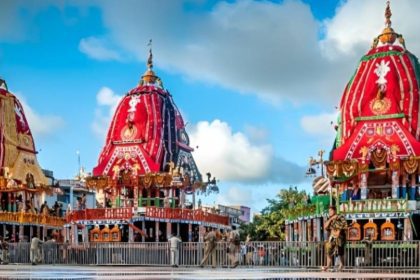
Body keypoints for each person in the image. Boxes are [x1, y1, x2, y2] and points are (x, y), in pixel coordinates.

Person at [322, 206, 348, 272]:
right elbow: (325, 227)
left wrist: (339, 230)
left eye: (331, 211)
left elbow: (345, 225)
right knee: (329, 250)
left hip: (340, 236)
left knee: (340, 251)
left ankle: (342, 264)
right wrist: (331, 219)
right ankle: (327, 266)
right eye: (329, 211)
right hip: (332, 236)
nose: (329, 212)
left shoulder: (340, 217)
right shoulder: (329, 218)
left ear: (335, 211)